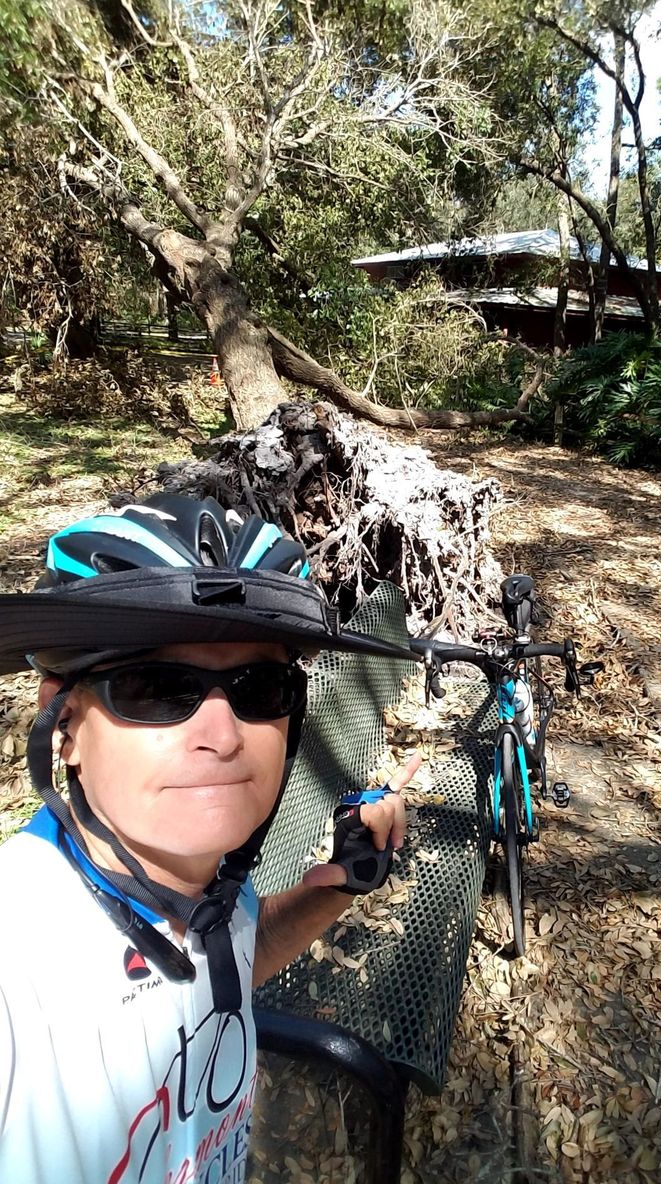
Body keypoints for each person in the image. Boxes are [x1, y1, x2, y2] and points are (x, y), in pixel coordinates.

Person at [0, 494, 420, 1184]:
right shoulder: (18, 956)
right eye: (158, 688)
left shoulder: (205, 878)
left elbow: (222, 960)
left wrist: (341, 885)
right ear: (63, 723)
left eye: (260, 687)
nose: (224, 736)